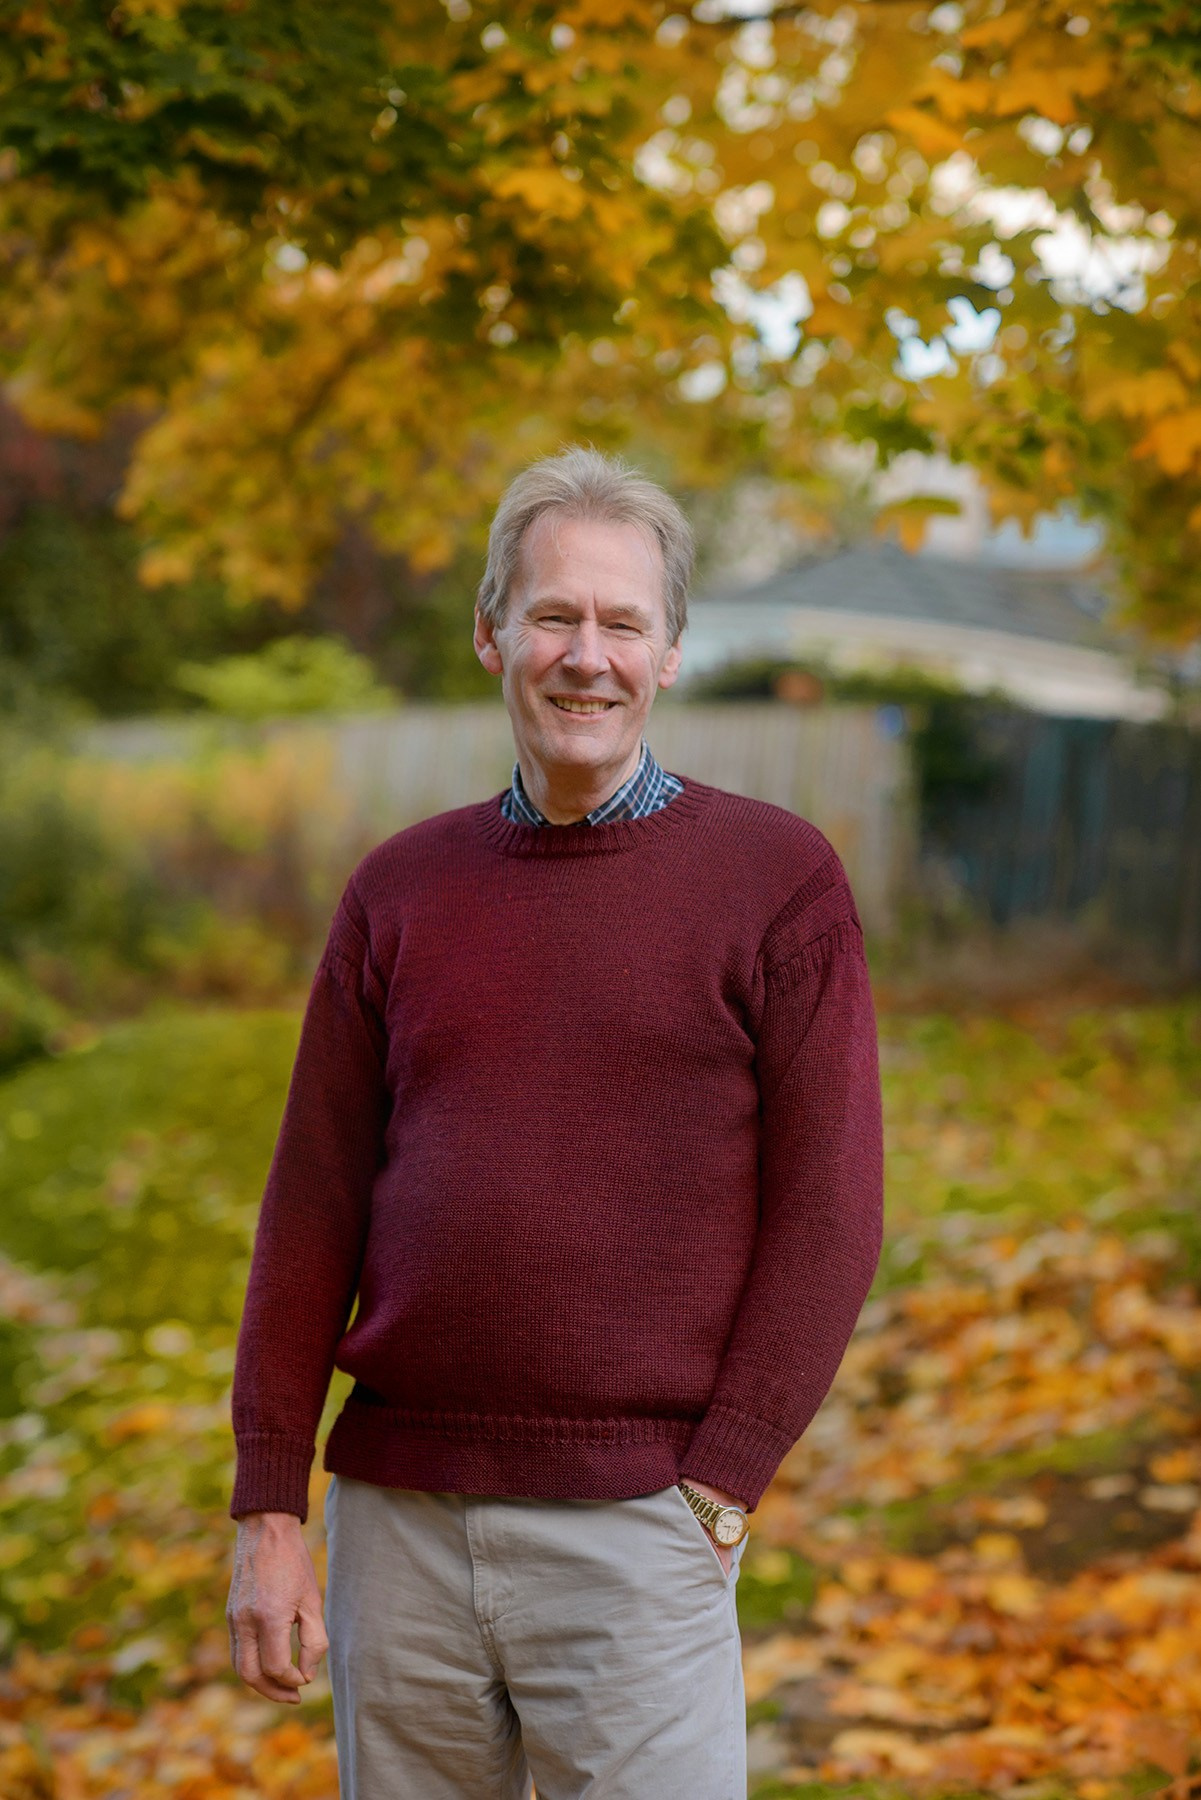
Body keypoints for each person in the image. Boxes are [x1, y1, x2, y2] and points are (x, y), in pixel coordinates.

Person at [226, 446, 884, 1799]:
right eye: (554, 617)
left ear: (670, 653)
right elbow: (312, 1206)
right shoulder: (398, 892)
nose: (588, 657)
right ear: (491, 635)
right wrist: (269, 1503)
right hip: (400, 1523)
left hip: (640, 1524)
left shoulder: (777, 881)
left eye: (623, 623)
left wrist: (721, 1483)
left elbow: (830, 1210)